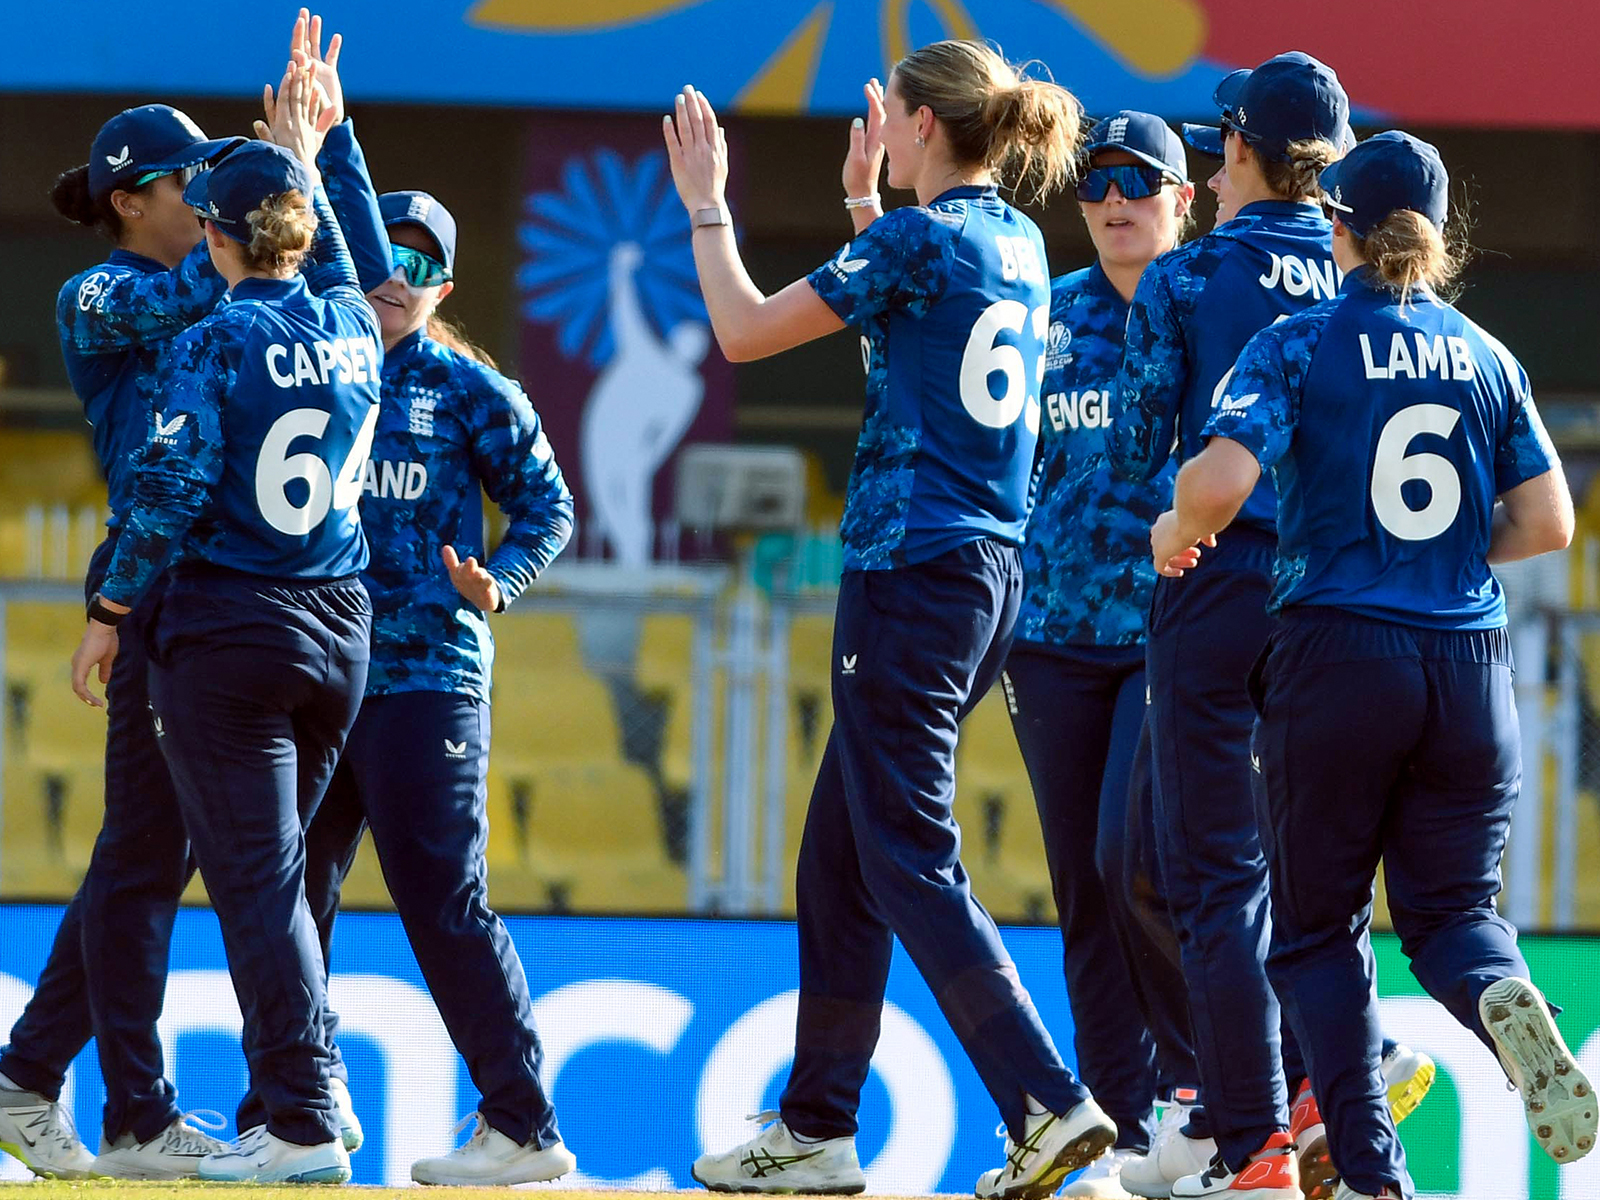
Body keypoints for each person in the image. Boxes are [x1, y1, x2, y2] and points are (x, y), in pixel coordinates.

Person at [661, 41, 1116, 1199]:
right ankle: (816, 1128)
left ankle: (1046, 1102)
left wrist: (709, 206)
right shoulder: (1010, 239)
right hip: (984, 574)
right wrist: (866, 207)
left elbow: (744, 331)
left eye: (894, 116)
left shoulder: (922, 239)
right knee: (839, 861)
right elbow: (913, 335)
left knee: (907, 852)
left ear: (919, 124)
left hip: (912, 572)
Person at [1154, 129, 1594, 1200]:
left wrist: (1175, 527)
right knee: (1454, 919)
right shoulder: (1487, 353)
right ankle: (1497, 993)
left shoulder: (1299, 341)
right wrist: (1443, 557)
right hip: (1469, 665)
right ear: (1438, 236)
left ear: (1335, 225)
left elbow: (1220, 483)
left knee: (1315, 933)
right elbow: (1550, 522)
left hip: (1338, 655)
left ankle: (1370, 1174)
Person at [0, 13, 383, 1182]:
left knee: (161, 857)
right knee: (145, 858)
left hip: (225, 594)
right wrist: (285, 192)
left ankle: (41, 1082)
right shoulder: (101, 294)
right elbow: (248, 292)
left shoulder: (228, 283)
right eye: (191, 182)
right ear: (131, 201)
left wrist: (325, 152)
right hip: (165, 590)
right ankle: (128, 1108)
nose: (210, 195)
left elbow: (347, 282)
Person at [1106, 52, 1351, 1200]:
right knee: (1314, 880)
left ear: (1242, 149)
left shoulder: (1188, 275)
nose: (1208, 168)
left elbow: (1133, 446)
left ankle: (1248, 1143)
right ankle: (1328, 1098)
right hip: (1341, 602)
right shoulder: (1370, 278)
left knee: (1210, 878)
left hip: (1216, 580)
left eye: (1218, 149)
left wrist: (1177, 508)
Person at [298, 187, 578, 1186]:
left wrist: (500, 581)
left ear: (444, 287)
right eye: (386, 254)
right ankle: (296, 1106)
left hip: (426, 676)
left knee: (442, 901)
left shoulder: (469, 389)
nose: (398, 278)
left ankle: (522, 1126)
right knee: (287, 893)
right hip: (314, 671)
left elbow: (549, 507)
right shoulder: (309, 368)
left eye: (422, 266)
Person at [1001, 109, 1199, 1200]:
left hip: (1173, 633)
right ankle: (1121, 1132)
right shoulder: (1046, 313)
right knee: (1084, 884)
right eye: (1095, 184)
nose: (1115, 200)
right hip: (1049, 641)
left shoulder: (1213, 309)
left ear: (1184, 198)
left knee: (1141, 864)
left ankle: (1204, 1095)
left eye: (1138, 181)